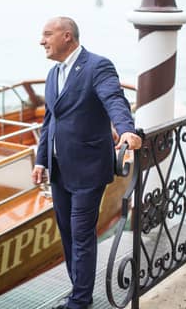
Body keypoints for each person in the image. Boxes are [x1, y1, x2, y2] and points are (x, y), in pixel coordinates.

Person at [32, 16, 142, 309]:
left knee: (81, 235)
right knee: (67, 234)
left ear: (67, 36)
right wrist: (41, 160)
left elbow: (114, 99)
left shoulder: (98, 66)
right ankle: (78, 290)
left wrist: (126, 128)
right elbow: (49, 122)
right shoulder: (54, 74)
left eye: (47, 34)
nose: (41, 41)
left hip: (88, 169)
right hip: (58, 170)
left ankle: (80, 301)